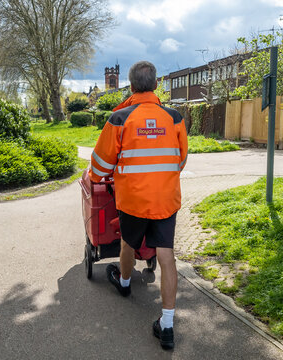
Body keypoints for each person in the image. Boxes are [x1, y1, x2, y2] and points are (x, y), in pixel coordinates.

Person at [89, 61, 188, 350]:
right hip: (166, 199)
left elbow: (102, 163)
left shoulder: (120, 118)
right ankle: (167, 325)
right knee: (167, 255)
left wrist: (98, 176)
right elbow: (180, 159)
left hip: (132, 200)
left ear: (131, 87)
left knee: (127, 245)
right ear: (157, 85)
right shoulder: (175, 118)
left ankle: (124, 283)